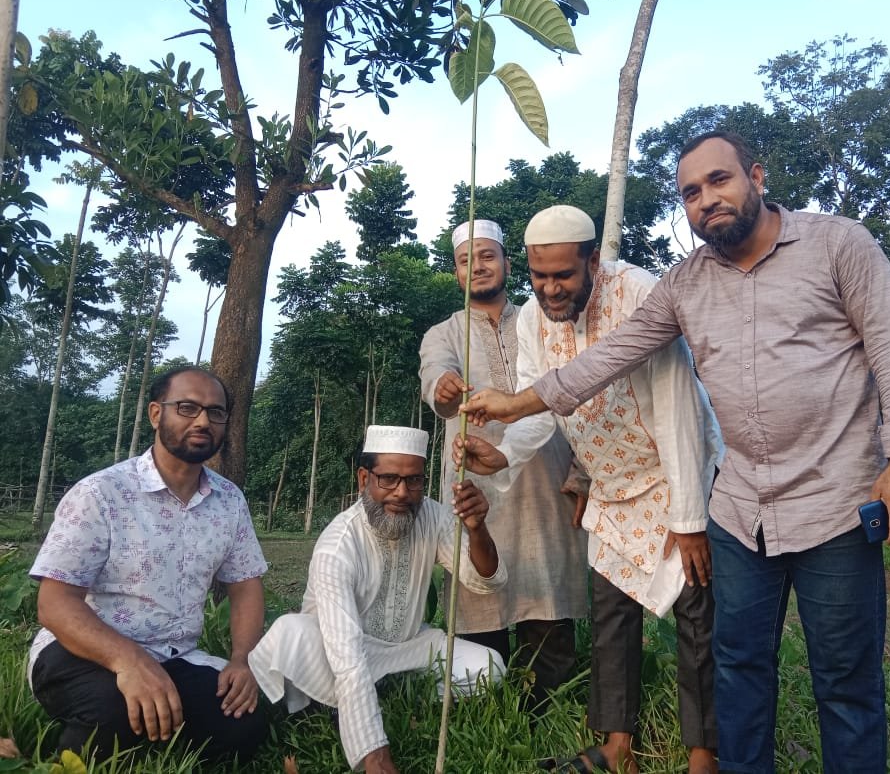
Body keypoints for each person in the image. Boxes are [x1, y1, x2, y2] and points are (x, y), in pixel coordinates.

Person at [461, 133, 890, 773]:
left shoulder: (839, 244)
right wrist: (515, 408)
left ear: (756, 176)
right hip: (741, 506)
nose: (706, 199)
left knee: (844, 676)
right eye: (690, 193)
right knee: (739, 664)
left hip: (834, 502)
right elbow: (607, 359)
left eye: (719, 180)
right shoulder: (685, 283)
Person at [454, 206, 724, 774]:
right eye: (540, 276)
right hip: (610, 483)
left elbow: (678, 408)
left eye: (564, 276)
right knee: (611, 614)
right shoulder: (532, 318)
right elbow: (538, 406)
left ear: (594, 261)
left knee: (697, 614)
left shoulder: (639, 294)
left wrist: (689, 518)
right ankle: (617, 747)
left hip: (676, 474)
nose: (551, 289)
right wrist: (503, 453)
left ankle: (704, 755)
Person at [28, 365, 268, 764]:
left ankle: (158, 720)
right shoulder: (101, 493)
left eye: (216, 412)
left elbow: (245, 586)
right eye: (187, 407)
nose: (203, 421)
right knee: (113, 711)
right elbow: (54, 604)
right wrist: (128, 661)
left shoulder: (229, 501)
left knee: (244, 721)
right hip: (81, 650)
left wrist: (243, 660)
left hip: (173, 655)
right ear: (156, 414)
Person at [248, 425, 506, 774]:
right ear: (363, 478)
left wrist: (477, 529)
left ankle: (370, 696)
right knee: (294, 633)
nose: (402, 492)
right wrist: (375, 756)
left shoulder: (431, 516)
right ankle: (348, 705)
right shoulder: (338, 543)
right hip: (336, 652)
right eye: (388, 479)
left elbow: (486, 581)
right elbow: (346, 653)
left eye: (414, 481)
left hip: (405, 647)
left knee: (490, 666)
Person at [419, 219, 587, 708]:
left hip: (548, 486)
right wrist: (443, 387)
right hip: (478, 492)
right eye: (465, 260)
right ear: (455, 273)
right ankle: (486, 715)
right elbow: (435, 377)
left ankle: (549, 716)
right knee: (480, 603)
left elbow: (579, 394)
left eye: (487, 255)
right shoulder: (443, 333)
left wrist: (582, 472)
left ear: (508, 264)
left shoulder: (545, 320)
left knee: (548, 602)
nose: (477, 266)